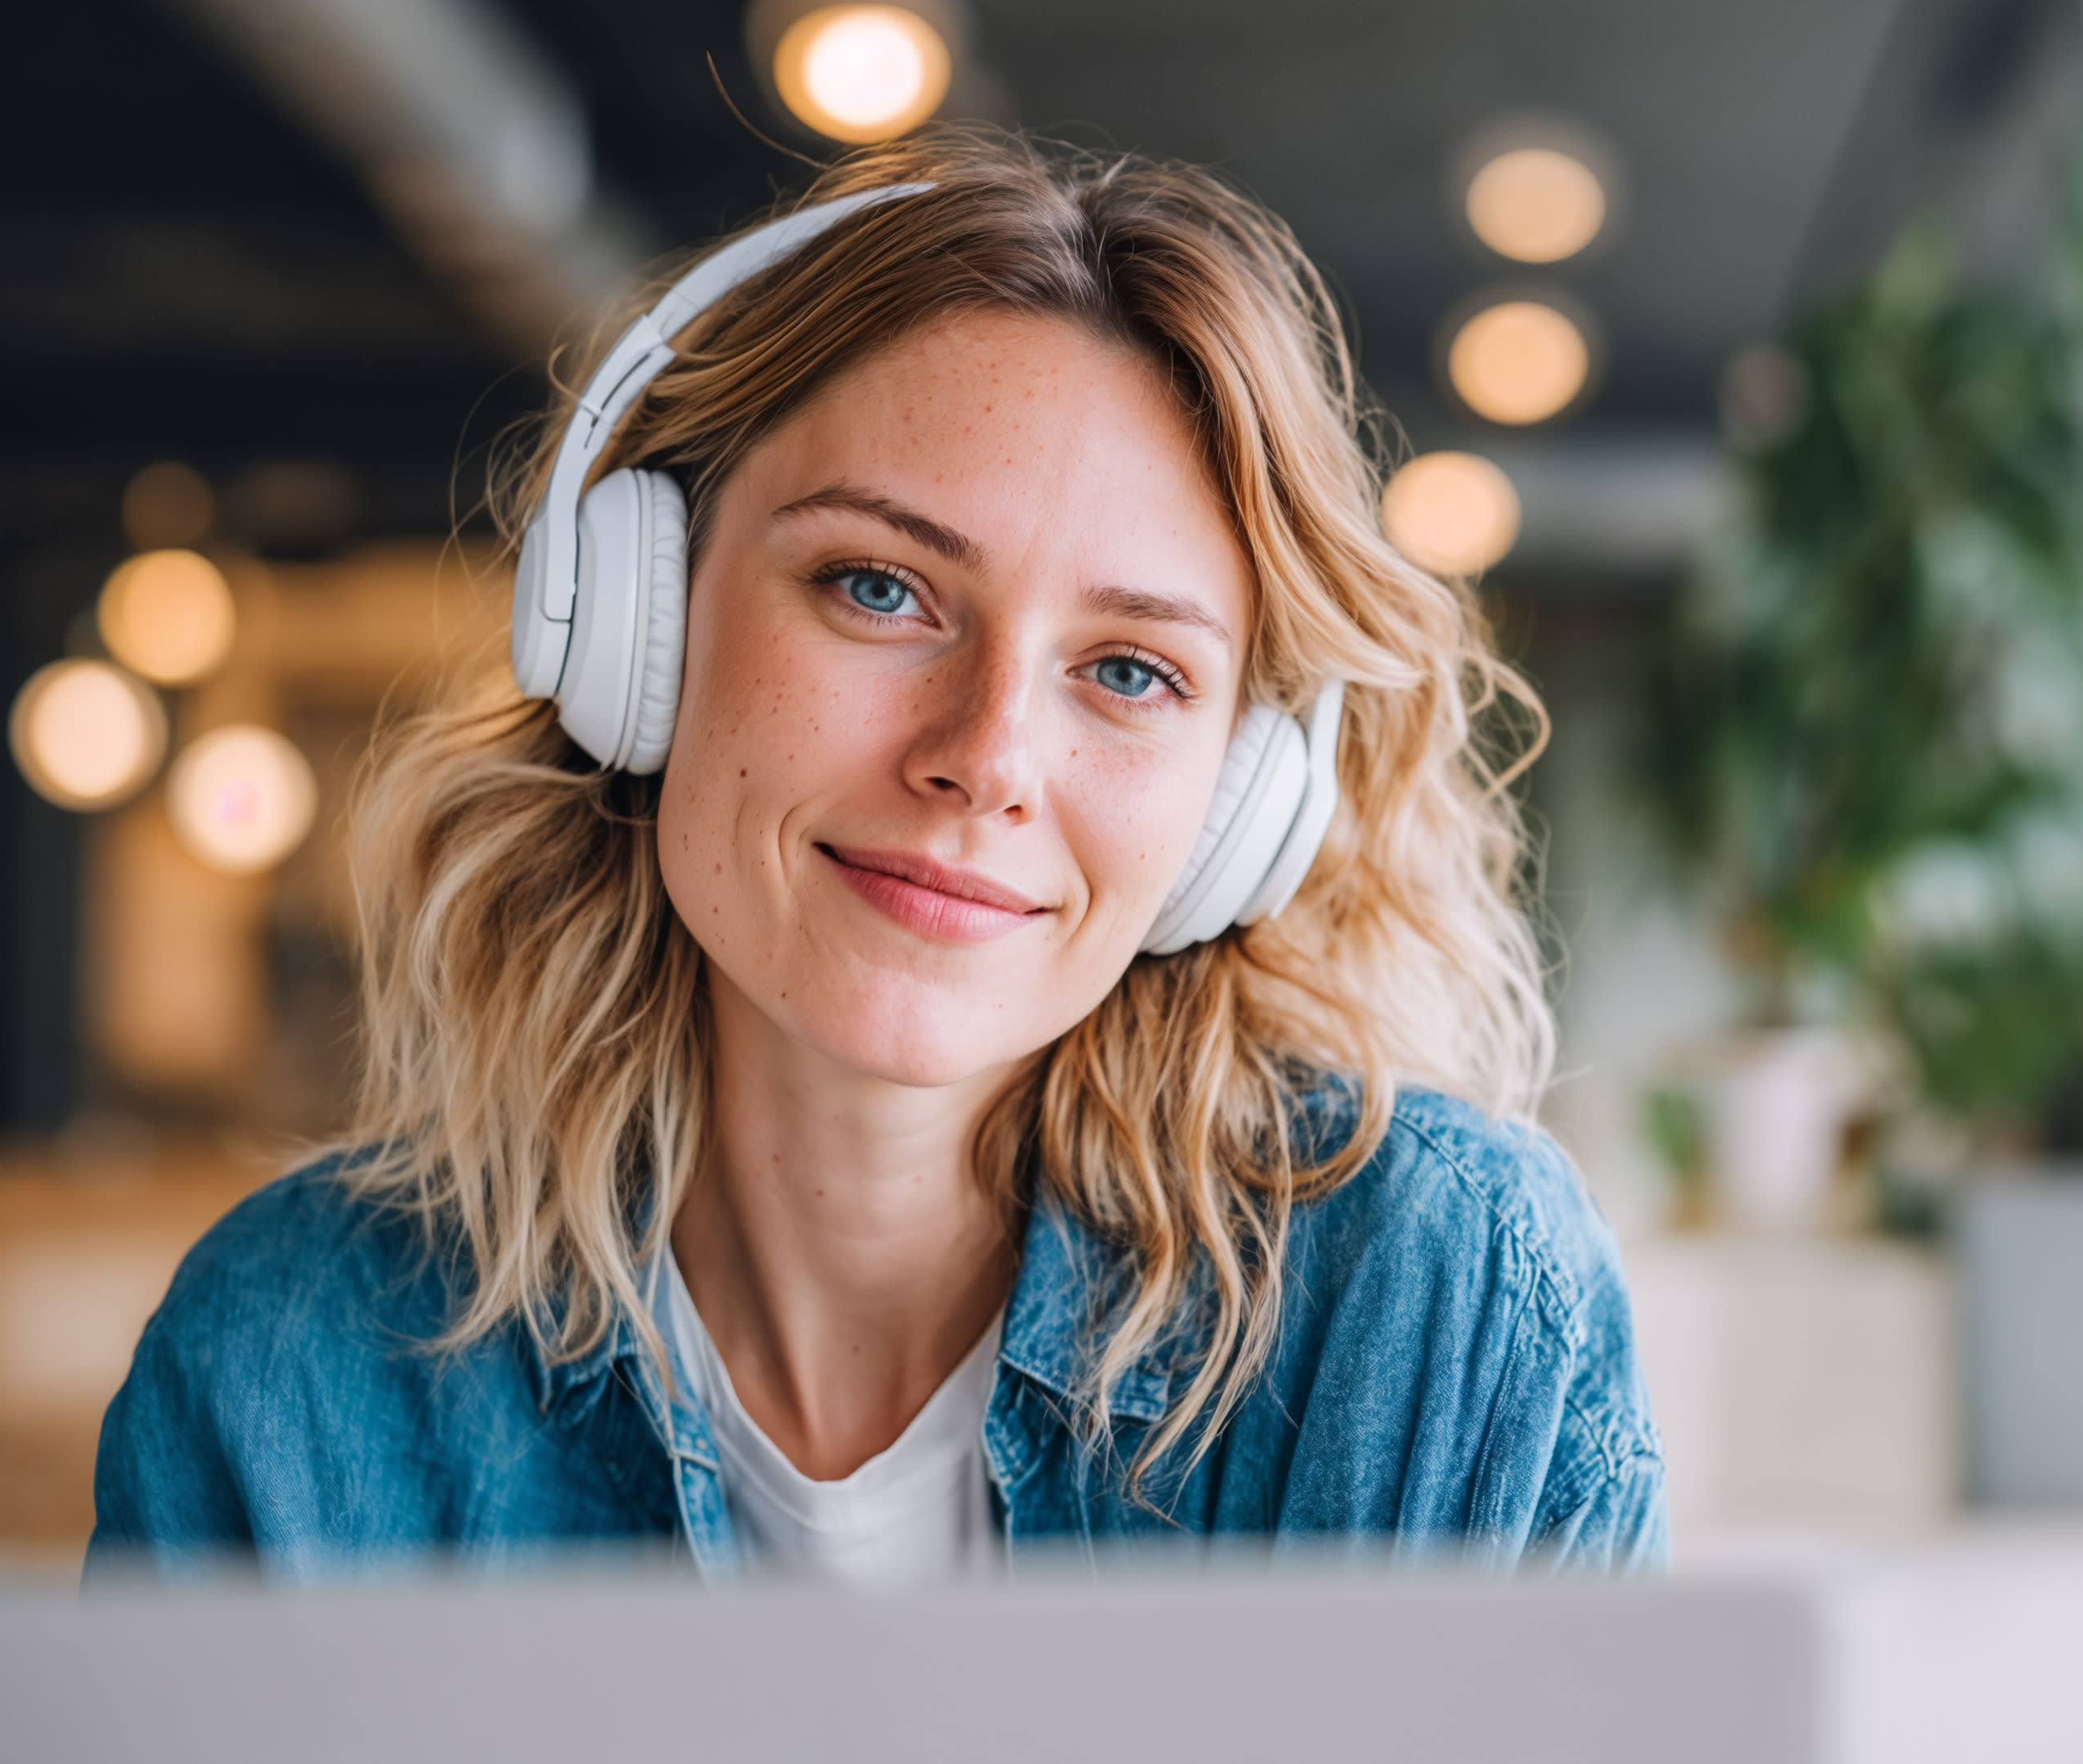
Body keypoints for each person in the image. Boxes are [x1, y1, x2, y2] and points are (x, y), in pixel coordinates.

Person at [88, 130, 1664, 1583]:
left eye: (1128, 672)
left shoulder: (1436, 1310)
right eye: (877, 589)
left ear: (1236, 809)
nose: (984, 758)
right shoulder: (295, 1374)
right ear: (645, 618)